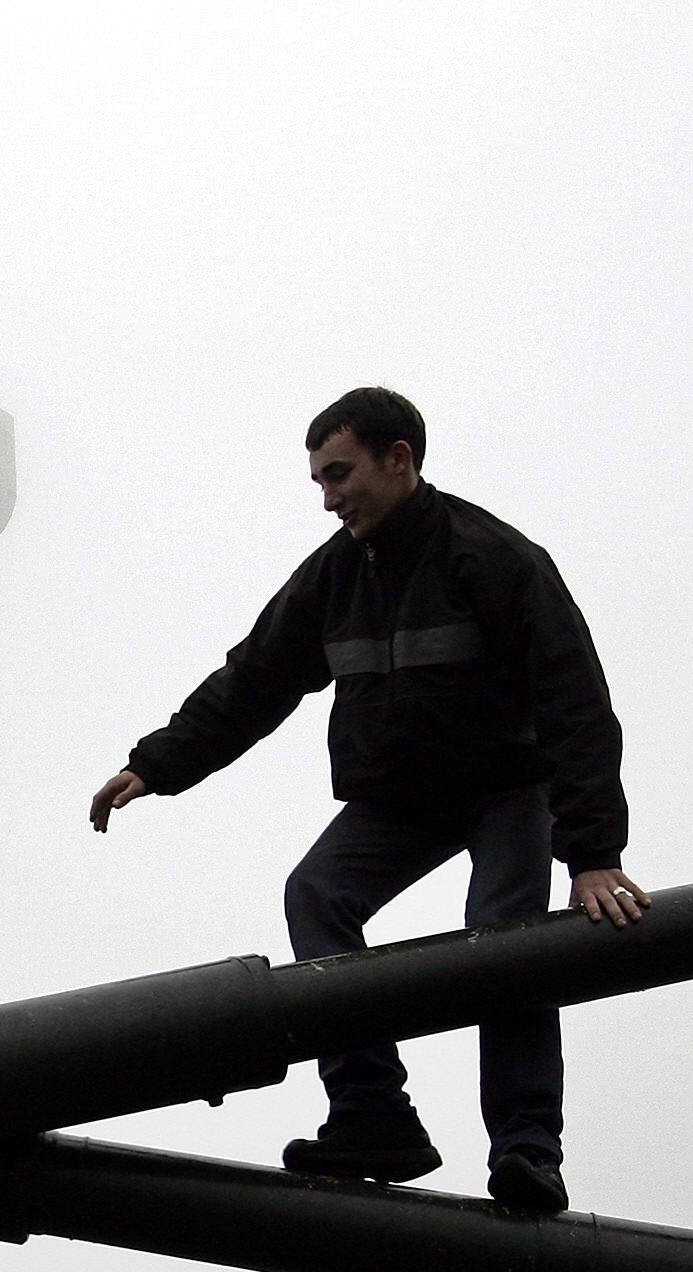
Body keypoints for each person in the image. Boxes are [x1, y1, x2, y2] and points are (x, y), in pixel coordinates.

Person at [88, 387, 644, 1212]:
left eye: (340, 474)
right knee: (317, 892)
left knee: (506, 941)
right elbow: (256, 678)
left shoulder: (492, 559)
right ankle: (373, 1110)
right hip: (402, 798)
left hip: (504, 788)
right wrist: (158, 764)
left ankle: (527, 1150)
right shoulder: (335, 577)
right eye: (317, 480)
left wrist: (594, 855)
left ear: (400, 460)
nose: (328, 497)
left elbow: (575, 701)